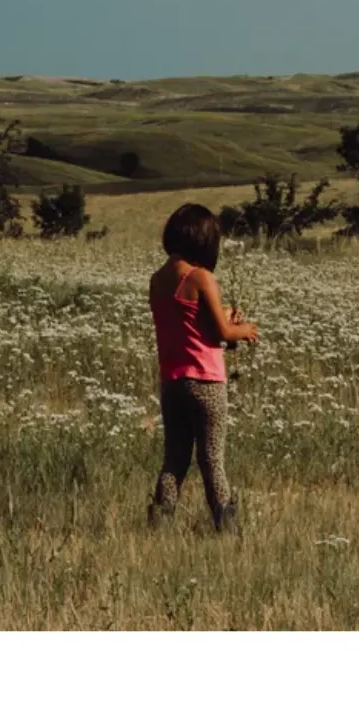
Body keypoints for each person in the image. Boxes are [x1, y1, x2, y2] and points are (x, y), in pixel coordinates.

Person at [148, 202, 258, 532]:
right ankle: (226, 528)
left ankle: (160, 525)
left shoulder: (157, 280)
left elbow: (188, 324)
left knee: (175, 460)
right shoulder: (202, 278)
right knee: (211, 459)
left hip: (173, 381)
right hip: (207, 382)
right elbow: (222, 335)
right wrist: (245, 329)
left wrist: (220, 316)